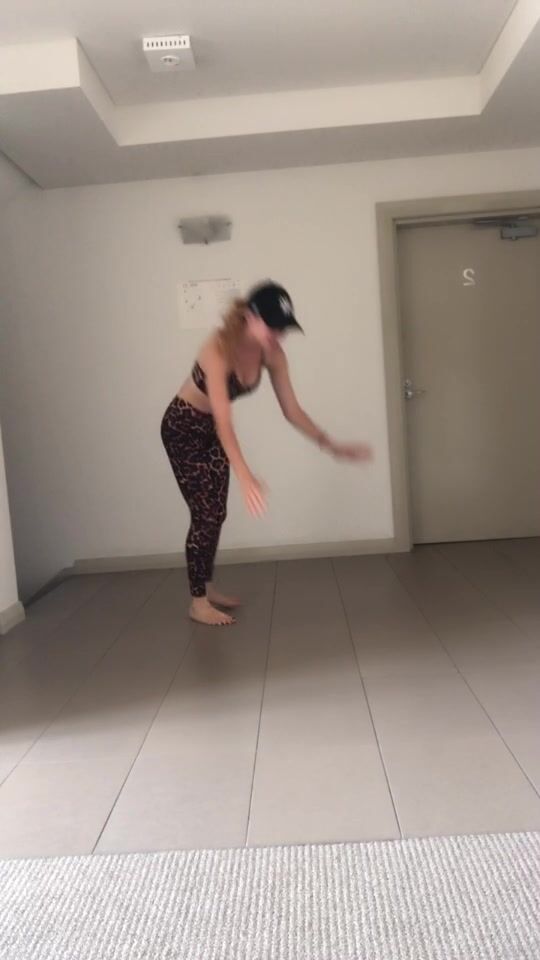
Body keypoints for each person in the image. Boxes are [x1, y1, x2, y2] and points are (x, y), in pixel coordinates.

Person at [160, 280, 373, 626]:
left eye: (283, 328)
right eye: (272, 327)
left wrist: (331, 445)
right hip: (183, 428)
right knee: (206, 515)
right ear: (249, 317)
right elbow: (224, 422)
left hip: (211, 430)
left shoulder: (272, 355)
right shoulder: (217, 348)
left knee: (216, 514)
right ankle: (197, 603)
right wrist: (245, 475)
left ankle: (207, 588)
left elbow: (292, 410)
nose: (279, 335)